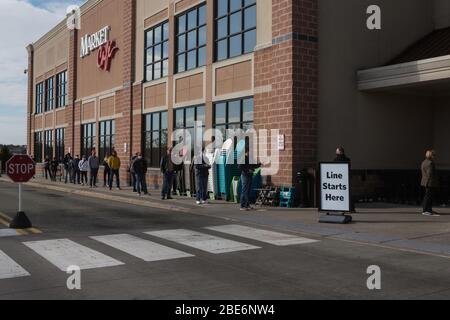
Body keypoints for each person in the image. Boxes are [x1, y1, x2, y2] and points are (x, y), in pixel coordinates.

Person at [334, 147, 355, 212]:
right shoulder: (347, 159)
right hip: (346, 178)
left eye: (337, 151)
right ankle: (351, 208)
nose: (336, 153)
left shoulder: (336, 160)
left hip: (340, 178)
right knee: (348, 194)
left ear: (340, 152)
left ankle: (340, 207)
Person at [421, 150, 440, 216]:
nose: (434, 156)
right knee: (429, 197)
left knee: (428, 196)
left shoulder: (424, 162)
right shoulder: (430, 163)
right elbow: (430, 174)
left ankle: (428, 209)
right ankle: (426, 210)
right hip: (430, 183)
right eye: (433, 155)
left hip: (426, 182)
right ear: (431, 155)